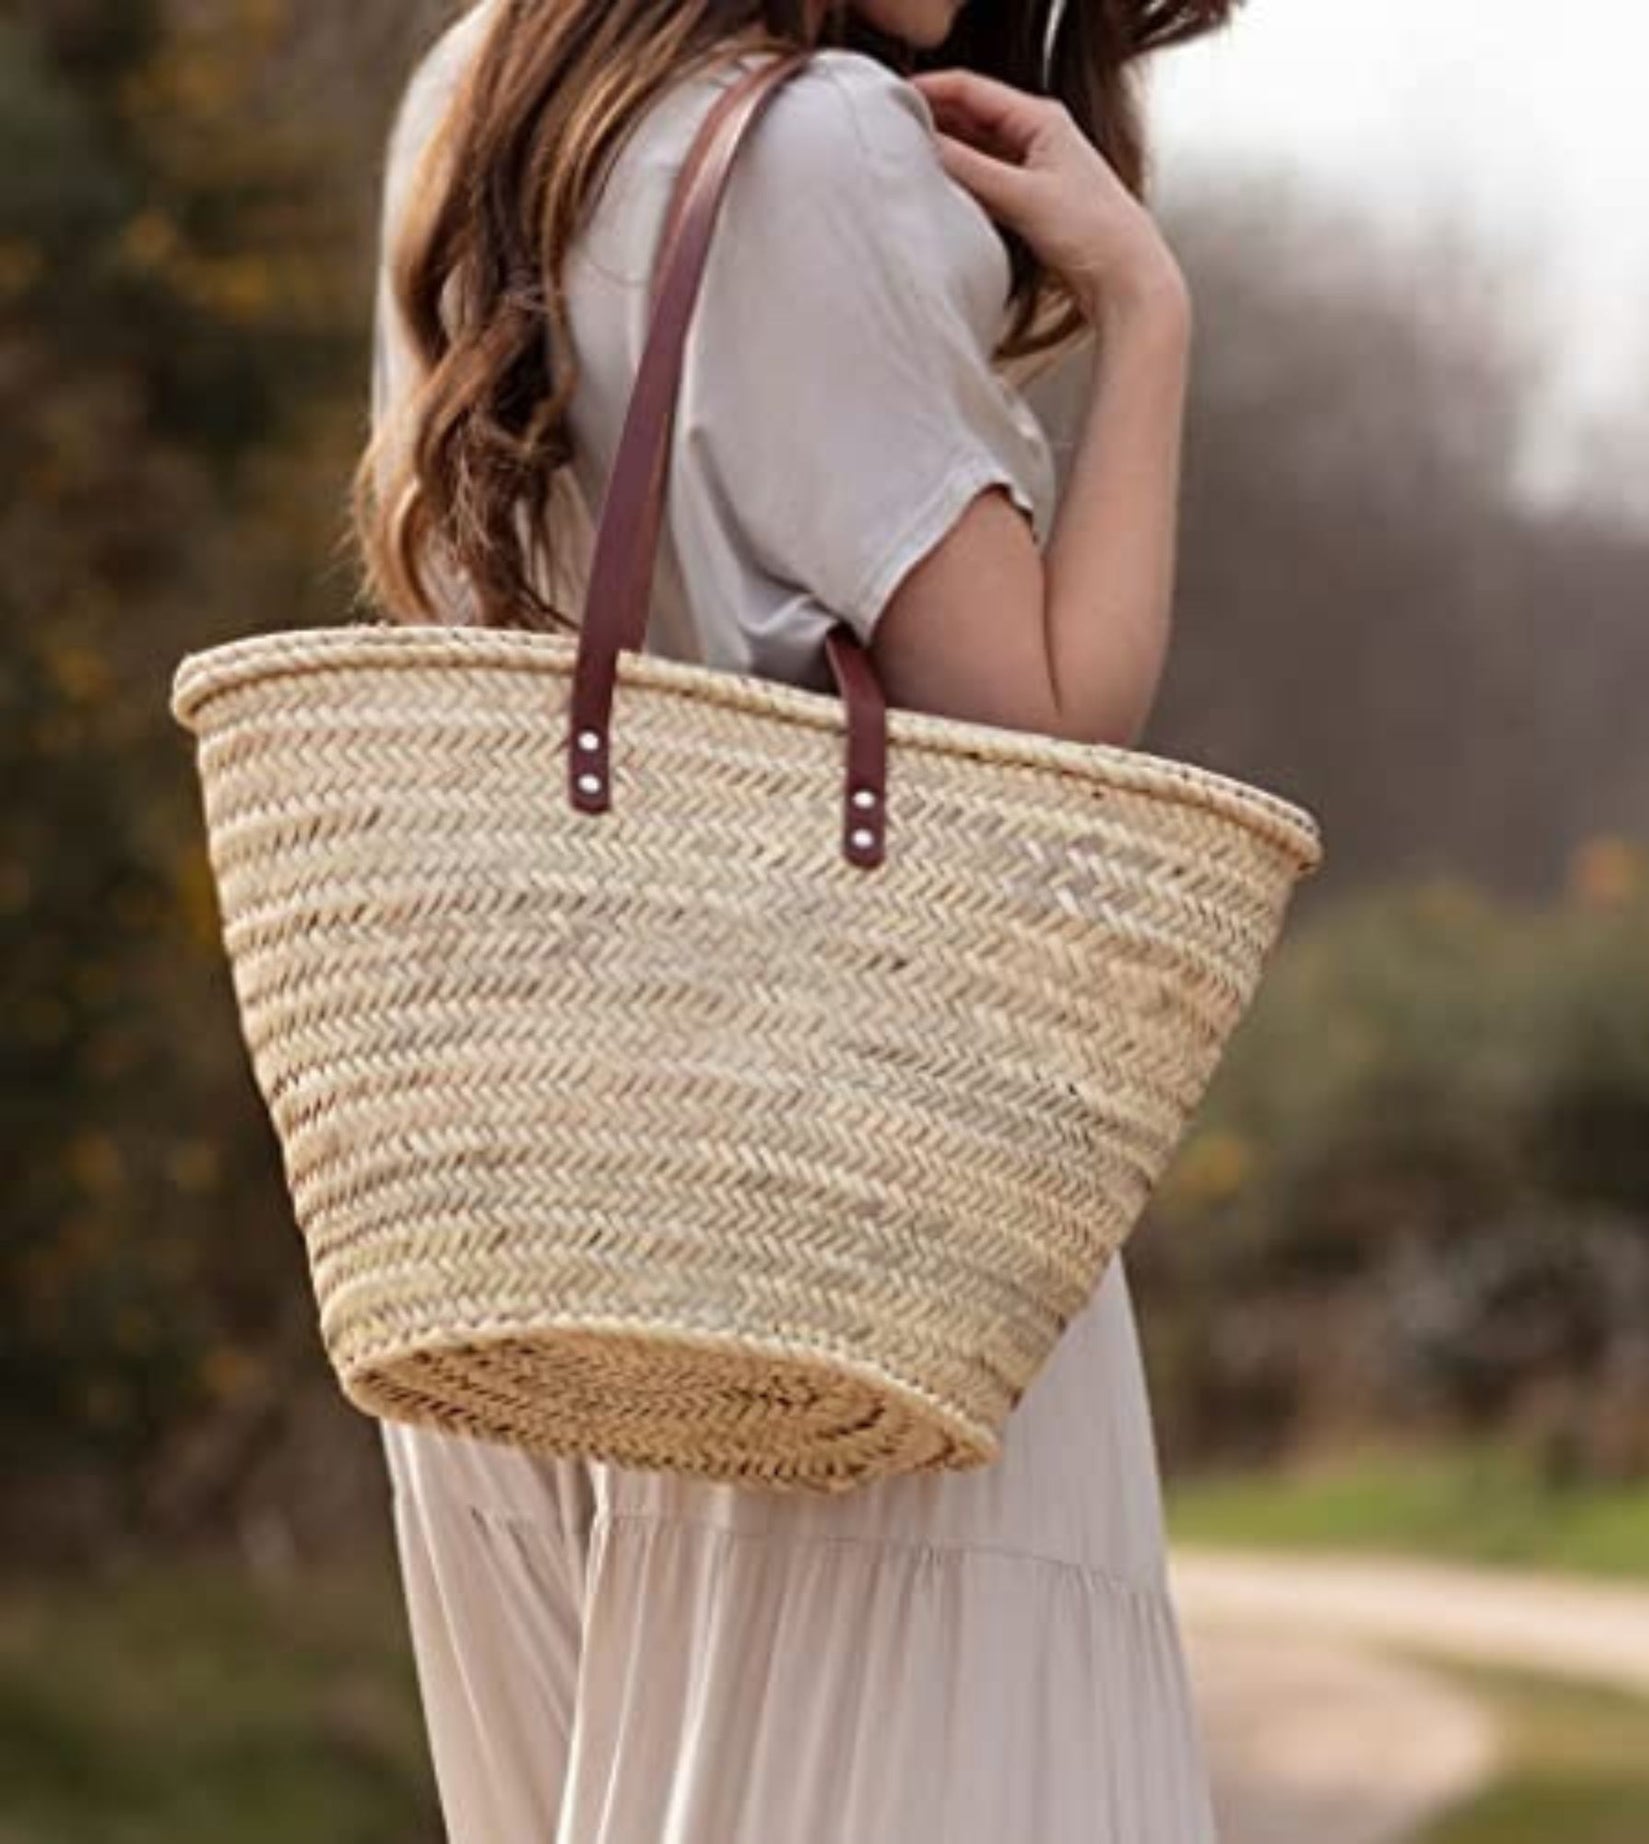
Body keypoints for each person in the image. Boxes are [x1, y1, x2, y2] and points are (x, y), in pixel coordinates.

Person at [354, 0, 1215, 1836]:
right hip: (849, 1196)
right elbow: (1042, 724)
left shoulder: (473, 95)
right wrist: (1147, 315)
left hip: (515, 1191)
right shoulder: (815, 145)